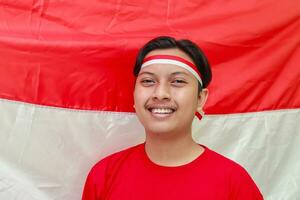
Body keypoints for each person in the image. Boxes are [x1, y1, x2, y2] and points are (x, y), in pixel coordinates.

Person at [82, 36, 263, 200]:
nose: (160, 94)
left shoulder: (234, 182)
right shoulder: (104, 175)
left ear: (200, 98)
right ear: (134, 95)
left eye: (177, 81)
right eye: (148, 81)